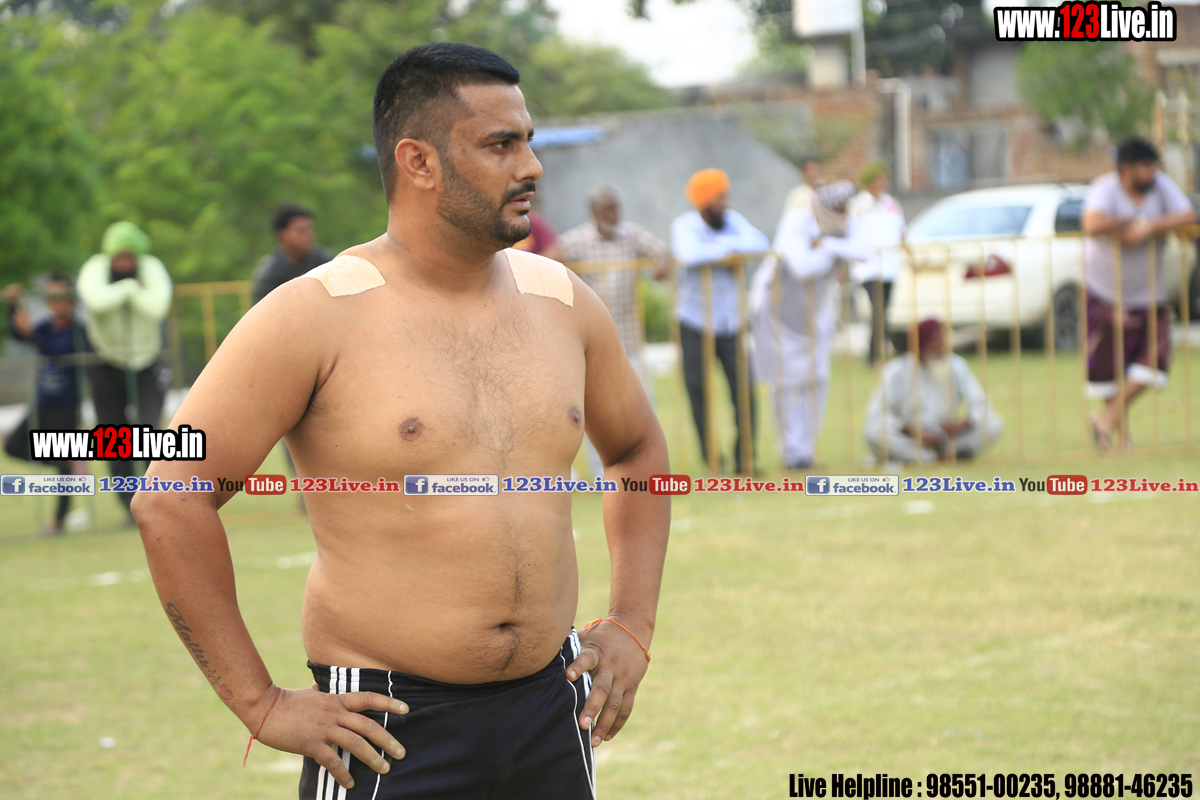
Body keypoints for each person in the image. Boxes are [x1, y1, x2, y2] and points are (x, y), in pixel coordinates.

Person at [133, 42, 669, 800]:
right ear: (418, 162)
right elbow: (170, 496)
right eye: (500, 144)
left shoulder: (561, 300)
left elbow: (638, 449)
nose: (531, 166)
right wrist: (259, 703)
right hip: (387, 728)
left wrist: (632, 622)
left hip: (553, 706)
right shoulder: (313, 314)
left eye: (529, 141)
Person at [1081, 137, 1196, 450]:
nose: (1153, 170)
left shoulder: (1161, 186)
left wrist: (1149, 226)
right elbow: (1092, 222)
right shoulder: (1105, 188)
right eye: (1146, 165)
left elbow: (1189, 215)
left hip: (1148, 293)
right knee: (1107, 370)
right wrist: (1130, 222)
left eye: (1154, 164)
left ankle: (1105, 421)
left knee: (1156, 362)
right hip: (1105, 290)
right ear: (1127, 169)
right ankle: (1121, 438)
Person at [751, 181, 871, 470]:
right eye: (840, 207)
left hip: (814, 317)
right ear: (826, 207)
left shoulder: (842, 226)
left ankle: (806, 453)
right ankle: (790, 452)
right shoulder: (797, 221)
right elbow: (802, 266)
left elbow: (865, 250)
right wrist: (835, 252)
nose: (846, 211)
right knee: (785, 386)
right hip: (777, 315)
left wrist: (827, 245)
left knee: (817, 382)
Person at [560, 184, 669, 478]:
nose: (615, 213)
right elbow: (549, 256)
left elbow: (661, 251)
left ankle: (645, 471)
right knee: (597, 411)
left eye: (617, 207)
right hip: (593, 342)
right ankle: (602, 475)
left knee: (642, 406)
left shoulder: (631, 234)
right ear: (595, 212)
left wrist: (661, 265)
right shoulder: (578, 240)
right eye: (609, 209)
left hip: (629, 338)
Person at [671, 168, 769, 474]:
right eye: (719, 198)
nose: (725, 204)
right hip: (695, 322)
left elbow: (760, 243)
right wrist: (729, 249)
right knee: (699, 392)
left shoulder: (732, 221)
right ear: (704, 202)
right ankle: (713, 459)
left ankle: (745, 459)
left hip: (730, 322)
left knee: (745, 391)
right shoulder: (685, 225)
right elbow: (690, 254)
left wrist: (718, 248)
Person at [76, 221, 173, 515]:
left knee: (148, 434)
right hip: (105, 360)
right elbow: (96, 301)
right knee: (113, 439)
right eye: (119, 256)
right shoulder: (95, 267)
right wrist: (130, 288)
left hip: (146, 361)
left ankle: (156, 501)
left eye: (130, 256)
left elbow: (157, 307)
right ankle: (129, 505)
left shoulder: (152, 266)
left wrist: (120, 291)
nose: (124, 262)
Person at [4, 275, 88, 534]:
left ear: (70, 299)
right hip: (42, 403)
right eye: (51, 297)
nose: (57, 302)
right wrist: (13, 307)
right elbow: (19, 334)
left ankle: (58, 522)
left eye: (61, 296)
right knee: (12, 446)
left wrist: (30, 332)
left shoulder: (77, 331)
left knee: (64, 467)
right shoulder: (44, 328)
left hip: (66, 406)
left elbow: (56, 349)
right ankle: (61, 463)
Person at [864, 318, 1003, 464]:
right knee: (874, 432)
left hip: (948, 436)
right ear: (921, 344)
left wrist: (962, 425)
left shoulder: (956, 365)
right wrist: (915, 432)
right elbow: (879, 414)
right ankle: (933, 458)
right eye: (936, 341)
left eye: (944, 339)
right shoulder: (895, 371)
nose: (942, 346)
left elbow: (981, 405)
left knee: (994, 424)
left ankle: (949, 453)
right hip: (911, 438)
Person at [848, 161, 905, 367]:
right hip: (868, 268)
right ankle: (874, 356)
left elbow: (901, 231)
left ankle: (878, 353)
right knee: (878, 310)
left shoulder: (891, 204)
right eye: (879, 179)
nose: (883, 183)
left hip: (889, 266)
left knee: (884, 312)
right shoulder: (857, 205)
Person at [251, 203, 336, 304]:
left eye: (309, 229)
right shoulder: (270, 274)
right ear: (282, 235)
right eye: (300, 230)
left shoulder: (327, 264)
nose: (308, 234)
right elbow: (262, 311)